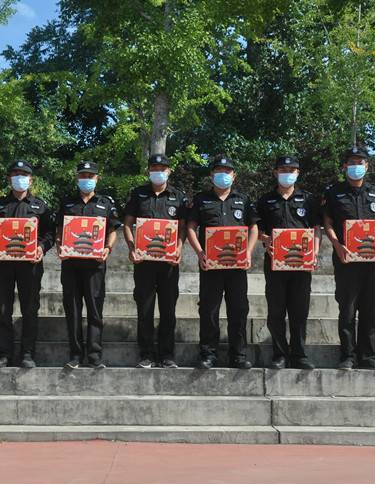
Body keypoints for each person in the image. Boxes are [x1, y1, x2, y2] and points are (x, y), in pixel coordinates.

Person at [186, 155, 258, 369]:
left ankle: (238, 355)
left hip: (237, 266)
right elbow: (191, 227)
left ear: (234, 176)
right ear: (211, 175)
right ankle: (208, 354)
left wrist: (248, 252)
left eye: (227, 172)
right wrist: (200, 253)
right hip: (210, 265)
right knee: (209, 309)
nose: (223, 175)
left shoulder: (243, 199)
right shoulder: (201, 199)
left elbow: (254, 227)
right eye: (218, 171)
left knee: (239, 309)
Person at [322, 145, 375, 371]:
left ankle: (368, 356)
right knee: (347, 309)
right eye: (351, 163)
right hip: (346, 260)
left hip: (372, 261)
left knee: (370, 308)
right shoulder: (333, 192)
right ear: (344, 166)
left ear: (367, 166)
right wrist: (337, 245)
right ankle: (348, 356)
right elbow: (328, 223)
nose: (356, 166)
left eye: (360, 162)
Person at [0, 160, 55, 369]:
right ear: (9, 179)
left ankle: (27, 353)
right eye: (15, 174)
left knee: (30, 309)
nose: (19, 178)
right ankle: (4, 354)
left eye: (23, 174)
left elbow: (50, 233)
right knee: (2, 309)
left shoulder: (40, 206)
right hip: (3, 265)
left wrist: (42, 247)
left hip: (30, 265)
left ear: (31, 180)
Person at [254, 155, 320, 370]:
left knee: (299, 311)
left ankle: (299, 354)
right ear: (275, 172)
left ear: (298, 173)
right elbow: (257, 230)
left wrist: (315, 253)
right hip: (275, 263)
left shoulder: (308, 199)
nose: (287, 173)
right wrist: (265, 239)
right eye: (283, 170)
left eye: (291, 170)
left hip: (302, 263)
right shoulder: (265, 200)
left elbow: (316, 229)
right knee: (276, 311)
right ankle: (280, 354)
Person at [123, 154, 187, 369]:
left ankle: (167, 355)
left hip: (169, 263)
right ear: (148, 171)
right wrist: (132, 248)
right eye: (154, 168)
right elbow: (127, 224)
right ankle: (146, 355)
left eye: (162, 168)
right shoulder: (138, 194)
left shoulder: (178, 196)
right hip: (144, 263)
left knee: (168, 310)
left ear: (169, 171)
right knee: (145, 309)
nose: (158, 171)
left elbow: (183, 227)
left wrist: (179, 248)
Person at [56, 161, 122, 369]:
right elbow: (59, 230)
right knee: (73, 310)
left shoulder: (105, 203)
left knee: (95, 310)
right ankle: (75, 355)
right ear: (77, 178)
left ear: (97, 178)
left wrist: (107, 248)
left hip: (95, 265)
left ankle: (94, 355)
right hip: (71, 264)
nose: (86, 179)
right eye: (83, 175)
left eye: (90, 176)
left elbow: (112, 231)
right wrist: (59, 246)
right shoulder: (67, 203)